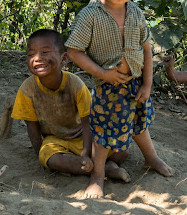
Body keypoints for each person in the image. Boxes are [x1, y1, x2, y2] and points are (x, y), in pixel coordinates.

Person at [66, 0, 173, 199]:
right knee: (103, 135)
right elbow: (74, 51)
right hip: (108, 87)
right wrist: (103, 73)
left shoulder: (135, 12)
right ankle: (97, 177)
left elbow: (146, 48)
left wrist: (147, 84)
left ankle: (151, 158)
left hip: (135, 82)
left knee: (139, 125)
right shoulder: (90, 15)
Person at [11, 29, 129, 181]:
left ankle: (92, 165)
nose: (37, 58)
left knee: (123, 151)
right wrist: (40, 155)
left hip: (85, 136)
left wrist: (86, 153)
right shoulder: (27, 89)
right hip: (56, 140)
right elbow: (32, 126)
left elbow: (88, 122)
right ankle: (106, 169)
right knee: (49, 158)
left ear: (64, 58)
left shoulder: (75, 84)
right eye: (31, 54)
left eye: (45, 52)